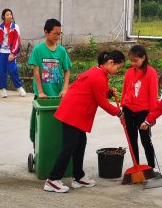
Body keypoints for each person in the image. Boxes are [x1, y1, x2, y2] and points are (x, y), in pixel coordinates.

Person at [43, 50, 125, 193]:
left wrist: (108, 92)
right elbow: (101, 102)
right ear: (111, 62)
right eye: (118, 67)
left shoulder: (99, 73)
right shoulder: (98, 76)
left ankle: (78, 176)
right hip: (73, 112)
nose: (117, 71)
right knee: (70, 146)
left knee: (80, 144)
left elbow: (95, 92)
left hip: (77, 113)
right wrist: (119, 113)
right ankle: (52, 180)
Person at [28, 18, 73, 146]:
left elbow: (67, 70)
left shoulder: (61, 51)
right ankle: (39, 148)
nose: (58, 36)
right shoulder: (38, 50)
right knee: (40, 125)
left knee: (57, 125)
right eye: (55, 33)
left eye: (60, 34)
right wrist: (40, 92)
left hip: (58, 95)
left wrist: (65, 89)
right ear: (46, 32)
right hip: (42, 96)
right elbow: (36, 72)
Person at [121, 44, 159, 170]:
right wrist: (122, 109)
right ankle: (136, 166)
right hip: (128, 110)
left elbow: (153, 95)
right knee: (132, 140)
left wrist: (152, 116)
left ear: (143, 58)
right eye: (131, 61)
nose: (133, 63)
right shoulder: (129, 72)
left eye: (136, 60)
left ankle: (151, 167)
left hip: (143, 112)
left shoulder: (151, 73)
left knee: (145, 140)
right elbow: (125, 91)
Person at [0, 8, 25, 98]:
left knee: (12, 70)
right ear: (3, 17)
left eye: (10, 14)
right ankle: (3, 90)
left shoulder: (15, 27)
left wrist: (12, 53)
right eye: (7, 15)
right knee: (2, 71)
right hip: (1, 52)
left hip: (11, 52)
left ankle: (19, 88)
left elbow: (17, 41)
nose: (10, 16)